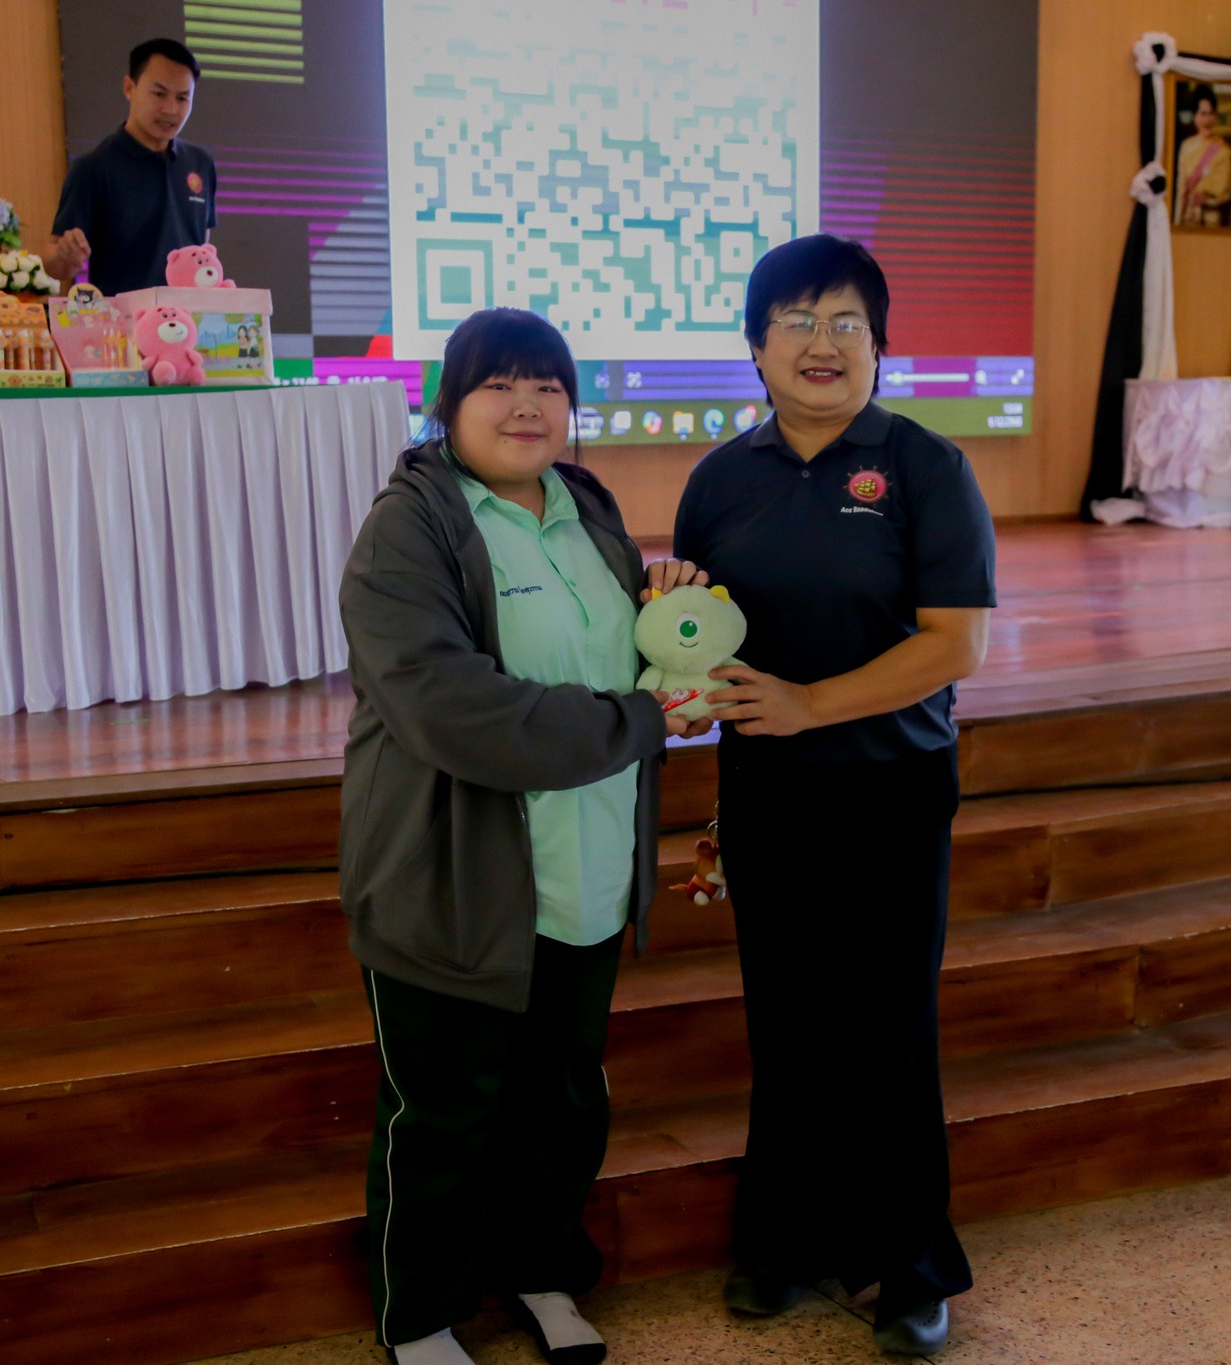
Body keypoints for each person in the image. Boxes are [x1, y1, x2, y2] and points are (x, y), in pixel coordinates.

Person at [339, 307, 712, 1365]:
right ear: (447, 405)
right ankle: (420, 1313)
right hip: (453, 878)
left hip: (585, 867)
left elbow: (623, 651)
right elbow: (451, 708)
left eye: (547, 385)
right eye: (497, 383)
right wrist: (638, 720)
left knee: (561, 1097)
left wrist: (671, 614)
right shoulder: (408, 529)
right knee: (444, 1112)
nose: (526, 405)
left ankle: (542, 1271)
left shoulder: (585, 506)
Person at [656, 234, 995, 1355]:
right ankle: (783, 1244)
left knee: (888, 1031)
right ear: (755, 346)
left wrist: (812, 703)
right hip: (767, 793)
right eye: (796, 321)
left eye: (847, 322)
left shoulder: (924, 468)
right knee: (789, 1023)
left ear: (879, 346)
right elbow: (701, 634)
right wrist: (684, 682)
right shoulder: (719, 480)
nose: (822, 342)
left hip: (891, 791)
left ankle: (907, 1266)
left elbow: (954, 645)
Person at [45, 38, 217, 295]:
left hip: (189, 317)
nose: (171, 109)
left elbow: (202, 247)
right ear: (129, 88)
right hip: (122, 318)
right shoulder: (93, 167)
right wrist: (64, 256)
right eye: (159, 94)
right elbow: (55, 264)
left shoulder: (201, 163)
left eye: (183, 98)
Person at [1174, 87, 1231, 227]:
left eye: (1211, 114)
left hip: (1212, 219)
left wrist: (1207, 196)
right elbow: (1181, 189)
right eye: (1203, 114)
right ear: (1194, 115)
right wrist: (1176, 221)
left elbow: (1227, 191)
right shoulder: (1186, 146)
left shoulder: (1224, 151)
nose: (1207, 119)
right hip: (1188, 217)